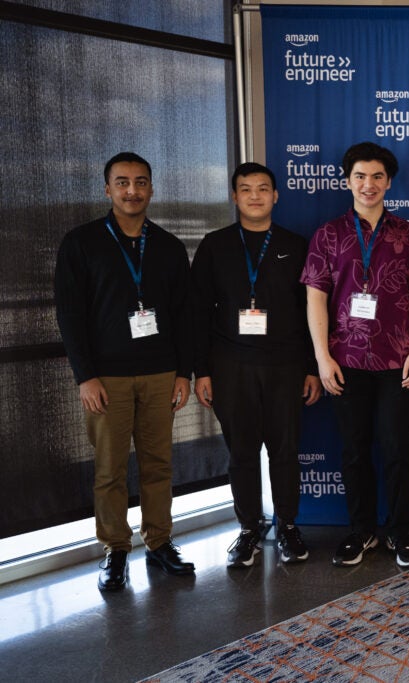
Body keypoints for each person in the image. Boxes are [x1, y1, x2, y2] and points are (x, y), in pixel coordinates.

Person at [54, 152, 195, 591]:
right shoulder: (81, 243)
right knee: (110, 469)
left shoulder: (169, 246)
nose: (131, 191)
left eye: (140, 182)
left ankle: (159, 542)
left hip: (160, 375)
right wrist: (85, 376)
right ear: (107, 189)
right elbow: (70, 316)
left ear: (151, 188)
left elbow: (185, 314)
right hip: (106, 379)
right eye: (122, 183)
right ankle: (115, 550)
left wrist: (183, 373)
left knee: (158, 465)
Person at [302, 142, 409, 569]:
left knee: (396, 450)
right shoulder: (328, 234)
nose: (368, 184)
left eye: (377, 176)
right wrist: (321, 357)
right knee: (354, 451)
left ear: (388, 182)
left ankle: (399, 532)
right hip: (345, 362)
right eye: (360, 176)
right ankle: (361, 532)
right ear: (347, 180)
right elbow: (315, 299)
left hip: (397, 362)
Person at [191, 162, 322, 568]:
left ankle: (287, 525)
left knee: (285, 450)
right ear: (234, 196)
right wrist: (202, 371)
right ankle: (249, 528)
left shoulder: (296, 244)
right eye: (245, 189)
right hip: (231, 365)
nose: (254, 196)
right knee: (242, 452)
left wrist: (312, 368)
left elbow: (310, 313)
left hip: (285, 365)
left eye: (263, 189)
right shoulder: (214, 245)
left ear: (276, 195)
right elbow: (196, 313)